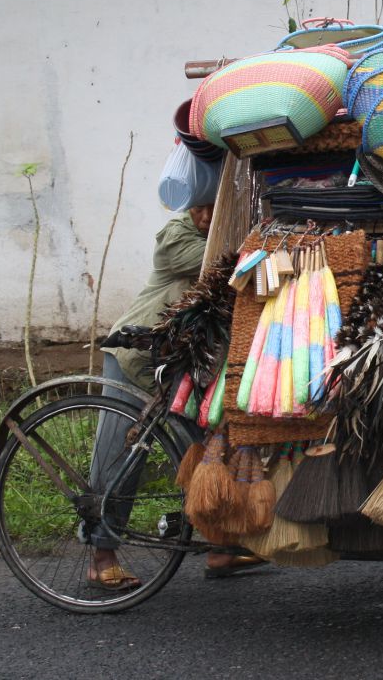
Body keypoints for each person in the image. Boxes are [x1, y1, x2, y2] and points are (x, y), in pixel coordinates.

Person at [88, 203, 261, 590]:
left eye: (213, 207)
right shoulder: (176, 236)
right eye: (199, 207)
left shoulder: (234, 233)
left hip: (185, 364)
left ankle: (222, 546)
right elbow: (223, 262)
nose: (204, 215)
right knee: (121, 457)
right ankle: (102, 555)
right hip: (139, 356)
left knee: (211, 447)